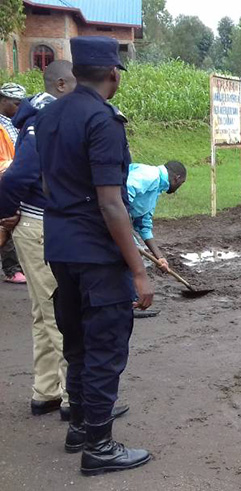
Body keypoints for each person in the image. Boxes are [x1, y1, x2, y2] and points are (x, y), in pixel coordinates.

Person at [36, 36, 152, 475]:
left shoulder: (50, 114)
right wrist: (139, 272)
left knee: (77, 338)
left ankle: (81, 426)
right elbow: (110, 203)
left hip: (59, 245)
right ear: (112, 74)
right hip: (97, 252)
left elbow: (46, 185)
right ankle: (99, 446)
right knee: (105, 342)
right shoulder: (103, 121)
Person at [0, 61, 77, 420]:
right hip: (38, 224)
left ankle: (46, 391)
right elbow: (18, 176)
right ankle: (72, 397)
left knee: (42, 312)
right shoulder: (43, 119)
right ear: (61, 84)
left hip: (32, 224)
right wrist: (5, 214)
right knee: (59, 312)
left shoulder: (40, 115)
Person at [127, 161, 186, 270]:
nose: (179, 187)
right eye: (181, 183)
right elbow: (120, 199)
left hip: (116, 220)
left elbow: (143, 224)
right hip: (100, 216)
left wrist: (160, 257)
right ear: (176, 178)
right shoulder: (149, 175)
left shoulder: (155, 191)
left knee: (134, 256)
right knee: (131, 256)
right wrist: (130, 240)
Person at [0, 82, 27, 284]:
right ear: (3, 101)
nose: (19, 108)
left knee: (10, 221)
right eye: (16, 103)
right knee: (6, 221)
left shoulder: (17, 122)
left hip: (13, 176)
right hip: (5, 175)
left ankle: (14, 267)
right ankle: (11, 269)